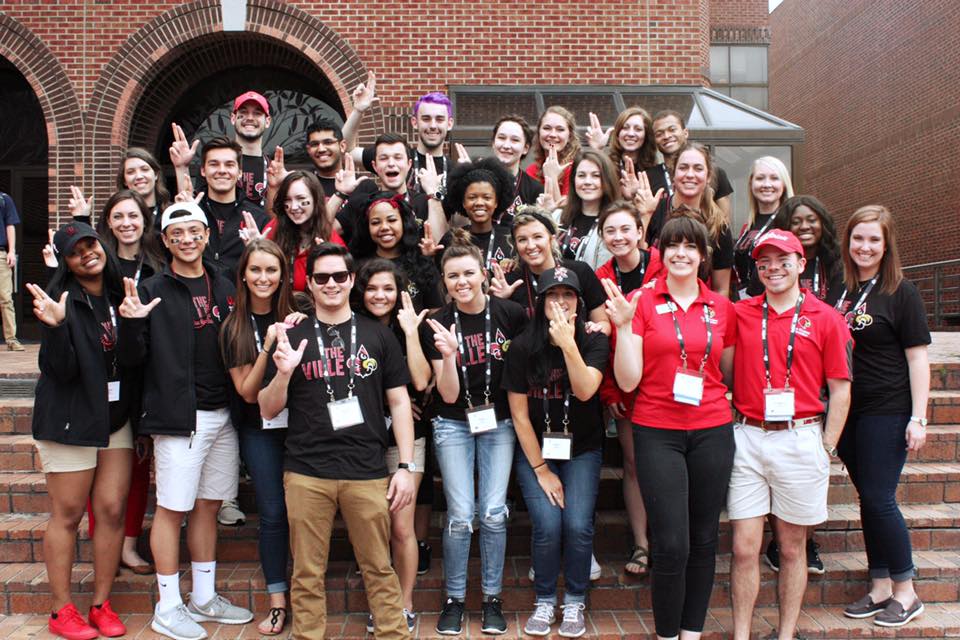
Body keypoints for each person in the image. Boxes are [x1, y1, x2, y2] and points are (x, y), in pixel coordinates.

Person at [258, 243, 416, 640]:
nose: (331, 284)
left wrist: (405, 467)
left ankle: (393, 634)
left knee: (379, 566)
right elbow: (266, 408)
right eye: (322, 277)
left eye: (339, 277)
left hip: (366, 469)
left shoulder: (377, 334)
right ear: (309, 283)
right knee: (307, 570)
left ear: (351, 282)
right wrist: (282, 373)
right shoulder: (290, 333)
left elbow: (398, 402)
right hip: (307, 470)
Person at [117, 201, 253, 640]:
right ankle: (169, 605)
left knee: (209, 507)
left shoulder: (225, 283)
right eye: (177, 234)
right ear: (166, 241)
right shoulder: (154, 288)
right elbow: (133, 361)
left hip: (223, 413)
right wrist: (133, 326)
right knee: (171, 511)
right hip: (180, 419)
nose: (187, 240)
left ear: (207, 235)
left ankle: (204, 597)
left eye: (194, 232)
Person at [606, 216, 737, 640]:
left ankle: (691, 633)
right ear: (661, 252)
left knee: (702, 539)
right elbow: (627, 381)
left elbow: (728, 372)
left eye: (691, 247)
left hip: (712, 428)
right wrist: (624, 325)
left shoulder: (721, 307)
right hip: (657, 429)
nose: (681, 253)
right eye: (673, 246)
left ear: (703, 256)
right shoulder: (641, 301)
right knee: (672, 543)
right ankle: (666, 634)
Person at [728, 229, 852, 640]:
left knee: (792, 548)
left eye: (784, 260)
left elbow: (840, 388)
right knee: (744, 547)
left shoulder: (826, 318)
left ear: (802, 265)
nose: (773, 268)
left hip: (800, 437)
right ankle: (742, 634)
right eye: (765, 261)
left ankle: (785, 634)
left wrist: (827, 446)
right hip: (748, 435)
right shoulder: (741, 312)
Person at [26, 223, 134, 640]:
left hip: (115, 420)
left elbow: (130, 361)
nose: (87, 253)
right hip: (70, 420)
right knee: (68, 514)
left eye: (92, 244)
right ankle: (61, 610)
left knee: (110, 510)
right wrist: (55, 327)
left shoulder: (119, 297)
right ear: (66, 262)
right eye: (76, 251)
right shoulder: (60, 302)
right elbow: (59, 370)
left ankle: (101, 604)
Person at [832, 206, 931, 628]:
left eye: (874, 240)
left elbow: (918, 360)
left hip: (887, 410)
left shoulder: (901, 292)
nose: (865, 247)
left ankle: (906, 592)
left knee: (879, 498)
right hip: (848, 413)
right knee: (868, 499)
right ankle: (878, 586)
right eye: (858, 238)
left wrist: (919, 418)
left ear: (886, 245)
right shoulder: (842, 290)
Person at [422, 239, 527, 635]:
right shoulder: (435, 321)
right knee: (461, 515)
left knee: (493, 513)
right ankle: (453, 600)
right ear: (444, 281)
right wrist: (449, 355)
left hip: (498, 423)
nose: (462, 281)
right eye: (453, 276)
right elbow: (447, 394)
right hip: (453, 423)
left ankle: (492, 599)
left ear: (483, 273)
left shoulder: (510, 314)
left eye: (468, 273)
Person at [504, 266, 608, 638]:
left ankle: (575, 600)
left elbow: (584, 391)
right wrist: (541, 469)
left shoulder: (595, 340)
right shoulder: (521, 346)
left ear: (579, 303)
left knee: (578, 525)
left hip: (581, 448)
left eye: (568, 295)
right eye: (552, 295)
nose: (560, 302)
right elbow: (518, 414)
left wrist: (568, 345)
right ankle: (545, 600)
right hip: (537, 451)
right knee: (548, 525)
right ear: (541, 302)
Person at [218, 238, 300, 635]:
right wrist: (268, 344)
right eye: (256, 270)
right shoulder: (233, 326)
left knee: (306, 510)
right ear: (243, 275)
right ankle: (278, 600)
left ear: (283, 274)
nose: (263, 278)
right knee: (272, 513)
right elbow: (248, 392)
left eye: (271, 270)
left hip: (304, 426)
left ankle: (306, 593)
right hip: (259, 431)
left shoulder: (301, 310)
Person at [85, 190, 165, 576]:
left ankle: (129, 546)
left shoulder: (156, 265)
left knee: (136, 462)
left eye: (133, 215)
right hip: (101, 373)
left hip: (142, 372)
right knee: (99, 465)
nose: (127, 223)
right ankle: (104, 542)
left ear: (145, 220)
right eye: (118, 216)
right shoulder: (98, 262)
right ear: (108, 222)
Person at [762, 195, 844, 574]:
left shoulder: (835, 265)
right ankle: (778, 541)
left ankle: (804, 542)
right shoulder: (770, 268)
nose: (806, 226)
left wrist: (828, 443)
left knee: (803, 479)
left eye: (813, 220)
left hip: (820, 360)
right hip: (775, 384)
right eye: (798, 221)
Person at [353, 259, 433, 633]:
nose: (379, 296)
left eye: (388, 289)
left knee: (402, 527)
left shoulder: (409, 328)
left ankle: (404, 604)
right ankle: (381, 604)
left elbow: (420, 380)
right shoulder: (351, 328)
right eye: (372, 288)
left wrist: (412, 332)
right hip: (362, 440)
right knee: (375, 528)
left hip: (405, 441)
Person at [594, 200, 664, 576]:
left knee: (666, 466)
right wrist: (610, 393)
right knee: (634, 465)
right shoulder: (601, 276)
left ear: (640, 231)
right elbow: (600, 342)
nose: (619, 237)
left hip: (666, 385)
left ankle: (667, 538)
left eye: (626, 229)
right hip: (626, 389)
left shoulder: (665, 267)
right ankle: (641, 544)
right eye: (610, 231)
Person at [637, 142, 734, 298]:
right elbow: (636, 262)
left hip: (696, 313)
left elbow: (721, 289)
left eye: (698, 168)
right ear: (673, 175)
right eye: (683, 168)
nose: (690, 174)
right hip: (652, 306)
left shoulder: (718, 225)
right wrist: (645, 216)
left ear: (708, 177)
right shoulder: (653, 210)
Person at [492, 209, 609, 334]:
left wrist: (594, 329)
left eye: (538, 237)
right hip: (530, 352)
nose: (531, 246)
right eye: (522, 240)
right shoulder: (509, 281)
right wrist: (500, 302)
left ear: (552, 239)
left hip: (577, 350)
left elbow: (603, 323)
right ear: (515, 245)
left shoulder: (580, 271)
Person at [333, 133, 446, 245]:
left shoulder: (425, 203)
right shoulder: (362, 203)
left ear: (409, 164)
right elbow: (323, 231)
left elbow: (440, 243)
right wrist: (340, 194)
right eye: (384, 158)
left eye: (398, 157)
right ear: (375, 166)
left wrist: (433, 194)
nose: (391, 163)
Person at [349, 191, 444, 313]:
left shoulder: (422, 262)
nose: (384, 227)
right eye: (375, 222)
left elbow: (435, 311)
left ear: (404, 223)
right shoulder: (357, 266)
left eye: (392, 220)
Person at [648, 111, 734, 244]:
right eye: (659, 134)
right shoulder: (648, 177)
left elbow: (724, 221)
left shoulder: (716, 173)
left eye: (672, 129)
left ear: (685, 132)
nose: (666, 136)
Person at [262, 171, 346, 292]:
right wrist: (254, 251)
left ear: (316, 200)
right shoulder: (274, 228)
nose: (294, 207)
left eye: (301, 199)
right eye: (288, 200)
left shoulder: (331, 240)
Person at [432, 158, 517, 270]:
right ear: (463, 202)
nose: (479, 203)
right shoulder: (451, 239)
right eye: (472, 197)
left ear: (496, 202)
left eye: (487, 197)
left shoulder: (510, 239)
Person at [732, 157, 794, 298]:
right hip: (746, 302)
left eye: (774, 178)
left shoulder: (790, 223)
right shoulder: (747, 226)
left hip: (775, 303)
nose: (767, 184)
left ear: (784, 184)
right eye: (760, 178)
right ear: (751, 183)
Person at [771, 195, 843, 302]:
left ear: (823, 224)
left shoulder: (840, 263)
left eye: (812, 220)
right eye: (795, 222)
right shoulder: (771, 266)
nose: (804, 227)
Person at [557, 150, 620, 269]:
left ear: (607, 180)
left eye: (596, 176)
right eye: (581, 175)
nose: (587, 182)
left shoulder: (614, 224)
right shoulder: (557, 216)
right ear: (573, 180)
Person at [586, 106, 662, 201]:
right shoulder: (606, 164)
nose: (630, 134)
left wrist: (634, 197)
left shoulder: (656, 172)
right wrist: (597, 149)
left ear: (646, 135)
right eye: (625, 128)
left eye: (638, 129)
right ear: (618, 134)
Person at [489, 115, 544, 221]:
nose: (506, 145)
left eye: (514, 140)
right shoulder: (477, 180)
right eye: (501, 138)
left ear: (525, 148)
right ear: (493, 143)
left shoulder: (535, 189)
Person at [526, 106, 580, 196]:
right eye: (547, 128)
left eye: (560, 129)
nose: (553, 134)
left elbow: (562, 210)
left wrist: (552, 179)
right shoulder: (531, 170)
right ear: (538, 132)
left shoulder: (576, 168)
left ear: (570, 135)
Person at [115, 148, 173, 220]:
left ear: (156, 175)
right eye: (130, 172)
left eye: (145, 169)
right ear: (124, 181)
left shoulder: (171, 213)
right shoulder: (115, 216)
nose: (139, 176)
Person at [0, 190, 23, 351]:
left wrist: (11, 250)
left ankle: (11, 339)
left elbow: (10, 225)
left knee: (5, 298)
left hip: (0, 254)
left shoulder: (4, 199)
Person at [305, 118, 348, 197]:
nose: (321, 149)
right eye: (314, 144)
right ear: (308, 150)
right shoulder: (302, 185)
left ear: (342, 146)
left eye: (328, 142)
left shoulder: (361, 184)